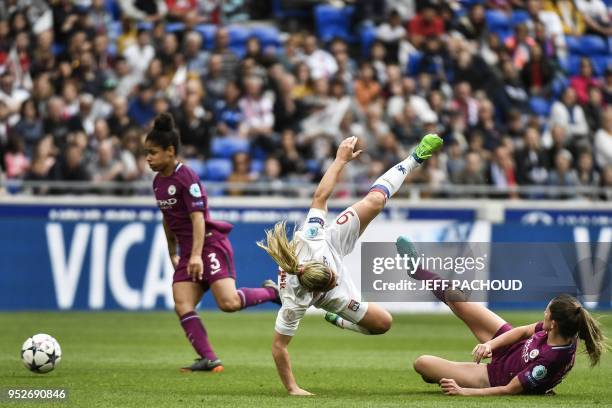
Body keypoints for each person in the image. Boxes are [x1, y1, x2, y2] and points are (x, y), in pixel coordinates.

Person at [257, 134, 443, 395]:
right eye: (333, 281)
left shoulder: (311, 241)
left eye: (333, 276)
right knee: (383, 324)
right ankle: (336, 317)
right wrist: (293, 388)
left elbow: (320, 196)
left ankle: (414, 158)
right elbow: (279, 347)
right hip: (326, 297)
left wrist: (339, 160)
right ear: (316, 292)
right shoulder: (296, 301)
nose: (338, 277)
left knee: (376, 201)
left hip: (331, 242)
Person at [144, 113, 280, 372]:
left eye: (152, 152)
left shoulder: (188, 178)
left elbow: (198, 219)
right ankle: (209, 358)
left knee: (228, 303)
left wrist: (195, 255)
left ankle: (274, 293)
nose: (148, 158)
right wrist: (173, 252)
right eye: (146, 153)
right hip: (189, 250)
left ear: (170, 151)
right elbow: (167, 218)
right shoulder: (158, 182)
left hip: (208, 244)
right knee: (182, 302)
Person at [396, 237, 605, 396]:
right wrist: (491, 345)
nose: (544, 313)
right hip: (511, 347)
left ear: (554, 324)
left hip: (496, 376)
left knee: (422, 364)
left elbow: (509, 389)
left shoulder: (550, 358)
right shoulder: (564, 327)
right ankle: (418, 271)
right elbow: (523, 331)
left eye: (547, 312)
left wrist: (464, 391)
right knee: (456, 297)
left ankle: (441, 375)